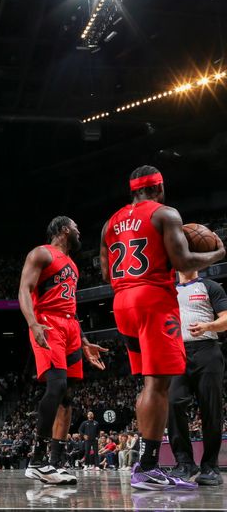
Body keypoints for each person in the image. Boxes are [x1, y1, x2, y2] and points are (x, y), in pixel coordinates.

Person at [100, 165, 225, 490]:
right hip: (153, 301)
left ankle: (148, 465)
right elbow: (183, 262)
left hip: (121, 302)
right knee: (160, 385)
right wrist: (217, 253)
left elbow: (104, 272)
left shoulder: (109, 223)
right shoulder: (165, 213)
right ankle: (149, 467)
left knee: (149, 383)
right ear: (159, 188)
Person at [18, 216, 108, 485]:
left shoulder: (72, 265)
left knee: (67, 397)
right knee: (55, 387)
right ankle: (36, 461)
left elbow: (71, 306)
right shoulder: (41, 253)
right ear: (64, 230)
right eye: (77, 228)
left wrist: (84, 340)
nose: (80, 232)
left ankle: (54, 463)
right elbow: (24, 289)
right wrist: (33, 323)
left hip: (69, 327)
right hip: (47, 323)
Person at [167, 269, 227, 485]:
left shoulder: (210, 286)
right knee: (173, 403)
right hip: (176, 351)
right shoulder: (167, 288)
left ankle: (210, 467)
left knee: (211, 409)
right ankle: (184, 463)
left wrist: (208, 326)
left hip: (207, 350)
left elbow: (226, 319)